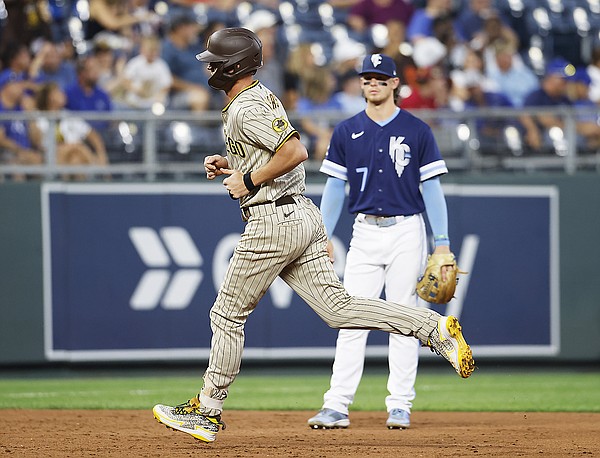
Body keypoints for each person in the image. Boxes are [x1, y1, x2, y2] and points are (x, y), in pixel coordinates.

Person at [152, 27, 475, 444]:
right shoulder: (256, 97)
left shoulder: (247, 106)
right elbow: (273, 152)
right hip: (300, 215)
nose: (208, 66)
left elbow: (295, 152)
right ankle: (434, 329)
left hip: (273, 221)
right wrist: (232, 165)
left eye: (213, 61)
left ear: (231, 67)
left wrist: (247, 178)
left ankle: (208, 411)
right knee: (338, 310)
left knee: (227, 314)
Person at [306, 53, 457, 430]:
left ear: (394, 84)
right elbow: (335, 188)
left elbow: (432, 188)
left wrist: (442, 241)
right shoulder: (345, 131)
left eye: (379, 78)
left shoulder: (417, 130)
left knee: (404, 318)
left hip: (407, 229)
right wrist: (323, 235)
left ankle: (400, 405)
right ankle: (337, 405)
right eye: (366, 78)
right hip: (364, 231)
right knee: (350, 318)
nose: (372, 83)